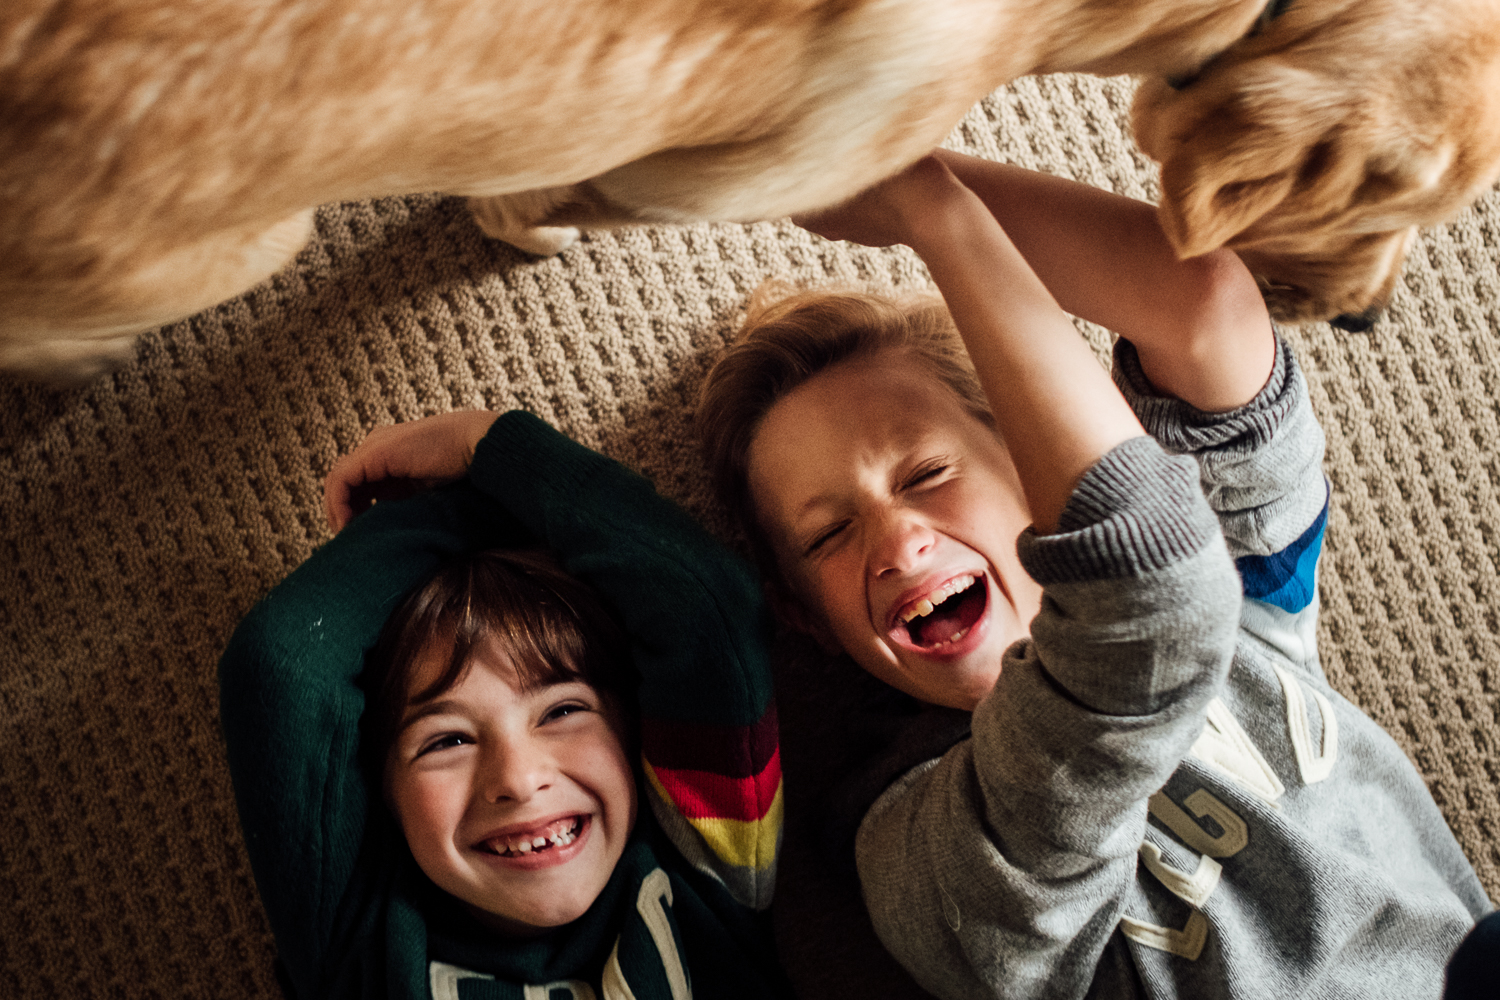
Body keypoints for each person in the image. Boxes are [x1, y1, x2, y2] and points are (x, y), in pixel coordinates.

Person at [696, 149, 1494, 999]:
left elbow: (1205, 310)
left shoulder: (1253, 610)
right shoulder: (916, 845)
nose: (896, 545)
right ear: (808, 617)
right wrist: (935, 217)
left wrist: (908, 169)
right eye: (829, 536)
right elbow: (1148, 602)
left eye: (928, 475)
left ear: (1032, 466)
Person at [219, 408, 790, 1000]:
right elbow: (279, 665)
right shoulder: (359, 936)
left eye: (561, 711)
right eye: (447, 741)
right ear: (381, 792)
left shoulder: (703, 854)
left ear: (629, 730)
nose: (518, 780)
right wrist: (461, 515)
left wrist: (485, 447)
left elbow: (707, 609)